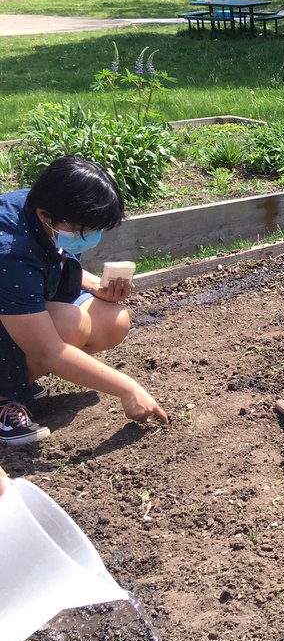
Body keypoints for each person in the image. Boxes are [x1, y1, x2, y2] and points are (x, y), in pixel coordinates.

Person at [0, 157, 169, 445]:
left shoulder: (42, 206)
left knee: (111, 319)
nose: (93, 236)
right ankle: (4, 398)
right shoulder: (9, 252)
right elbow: (47, 351)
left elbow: (56, 259)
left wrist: (94, 285)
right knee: (68, 326)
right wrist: (128, 388)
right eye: (86, 229)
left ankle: (17, 379)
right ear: (45, 215)